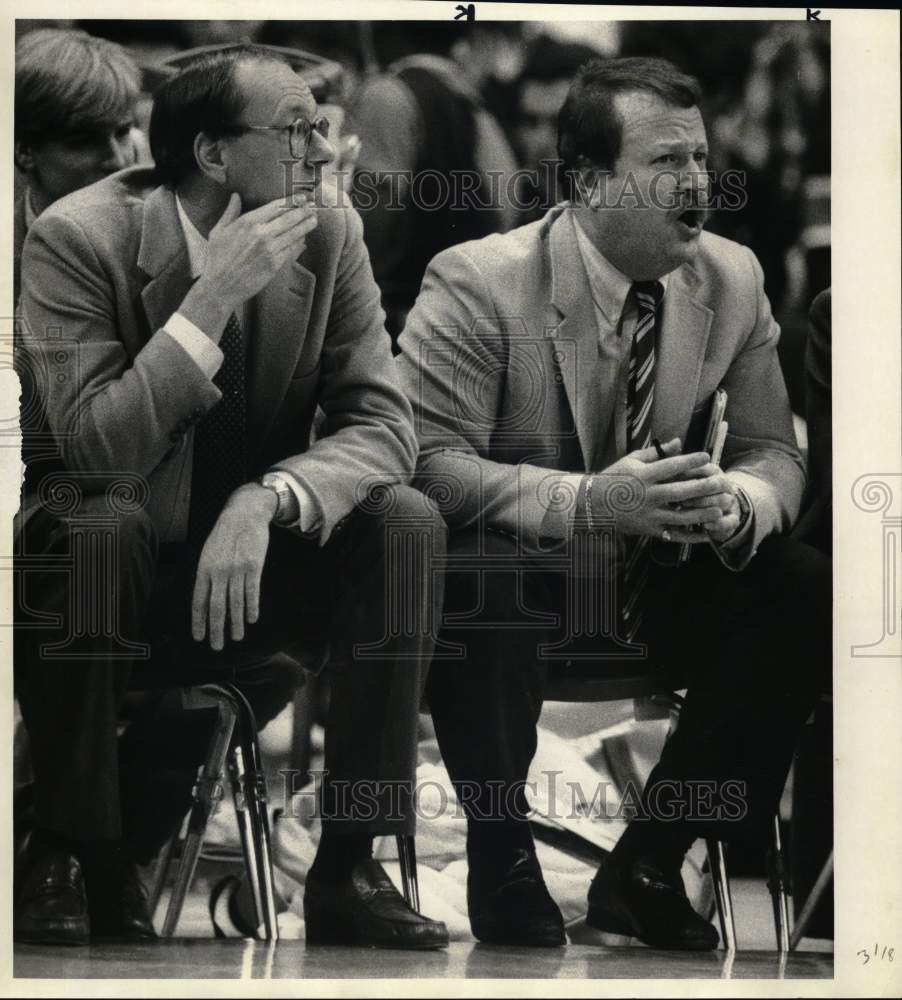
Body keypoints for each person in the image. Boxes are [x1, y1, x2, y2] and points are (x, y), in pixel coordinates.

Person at [15, 44, 448, 950]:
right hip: (107, 570)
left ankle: (349, 865)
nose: (323, 152)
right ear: (214, 155)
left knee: (403, 521)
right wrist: (208, 301)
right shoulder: (75, 238)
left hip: (246, 568)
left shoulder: (332, 231)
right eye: (296, 132)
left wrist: (269, 498)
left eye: (320, 129)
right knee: (102, 522)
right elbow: (97, 453)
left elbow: (384, 426)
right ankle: (75, 850)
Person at [397, 56, 829, 950]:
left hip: (648, 587)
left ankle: (650, 861)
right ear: (590, 183)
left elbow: (774, 452)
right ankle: (502, 860)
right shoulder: (477, 281)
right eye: (667, 162)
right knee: (483, 574)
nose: (698, 183)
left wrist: (739, 501)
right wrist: (592, 502)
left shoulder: (735, 278)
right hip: (514, 596)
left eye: (702, 158)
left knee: (799, 585)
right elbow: (425, 467)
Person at [348, 22, 520, 345]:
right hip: (465, 321)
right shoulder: (475, 108)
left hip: (398, 325)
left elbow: (372, 217)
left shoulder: (387, 95)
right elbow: (506, 210)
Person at [14, 27, 143, 304]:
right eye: (84, 141)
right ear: (24, 151)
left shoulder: (167, 239)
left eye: (122, 132)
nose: (118, 161)